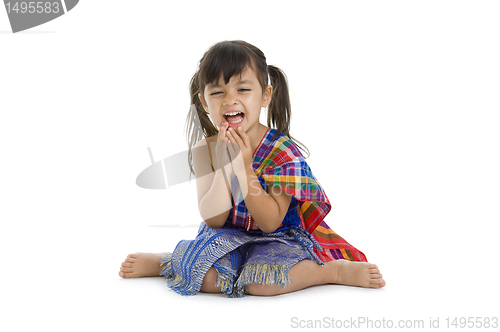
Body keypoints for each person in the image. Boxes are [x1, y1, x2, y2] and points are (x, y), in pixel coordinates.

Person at [118, 40, 385, 297]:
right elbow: (213, 219)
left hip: (279, 238)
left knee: (262, 283)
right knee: (208, 277)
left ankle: (331, 271)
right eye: (217, 92)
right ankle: (167, 261)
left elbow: (270, 223)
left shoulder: (282, 151)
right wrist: (226, 166)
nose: (229, 100)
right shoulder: (205, 149)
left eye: (242, 90)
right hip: (226, 234)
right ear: (203, 101)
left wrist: (244, 168)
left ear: (265, 95)